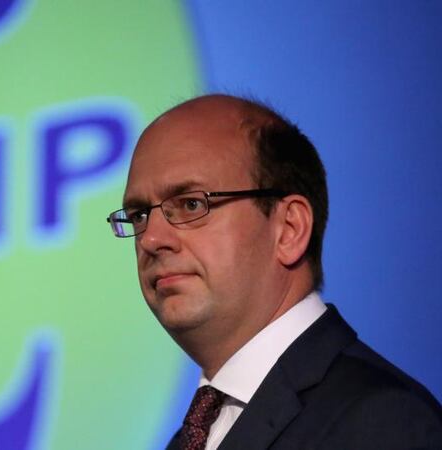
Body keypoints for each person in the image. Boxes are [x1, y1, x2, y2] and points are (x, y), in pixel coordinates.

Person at [107, 94, 442, 449]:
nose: (151, 238)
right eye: (140, 215)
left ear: (289, 229)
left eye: (191, 204)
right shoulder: (193, 438)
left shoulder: (383, 422)